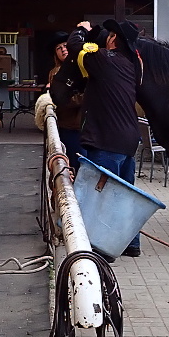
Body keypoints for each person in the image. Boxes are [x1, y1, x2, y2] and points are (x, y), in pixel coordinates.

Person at [66, 19, 142, 257]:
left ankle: (103, 248)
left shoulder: (103, 59)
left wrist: (81, 30)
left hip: (107, 138)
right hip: (129, 138)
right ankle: (132, 244)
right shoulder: (131, 64)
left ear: (112, 40)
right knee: (126, 193)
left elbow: (75, 47)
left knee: (104, 194)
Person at [46, 31, 84, 171]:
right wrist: (89, 96)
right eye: (59, 48)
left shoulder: (80, 65)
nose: (63, 50)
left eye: (65, 46)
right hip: (70, 125)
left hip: (83, 125)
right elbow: (65, 100)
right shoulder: (57, 73)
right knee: (76, 165)